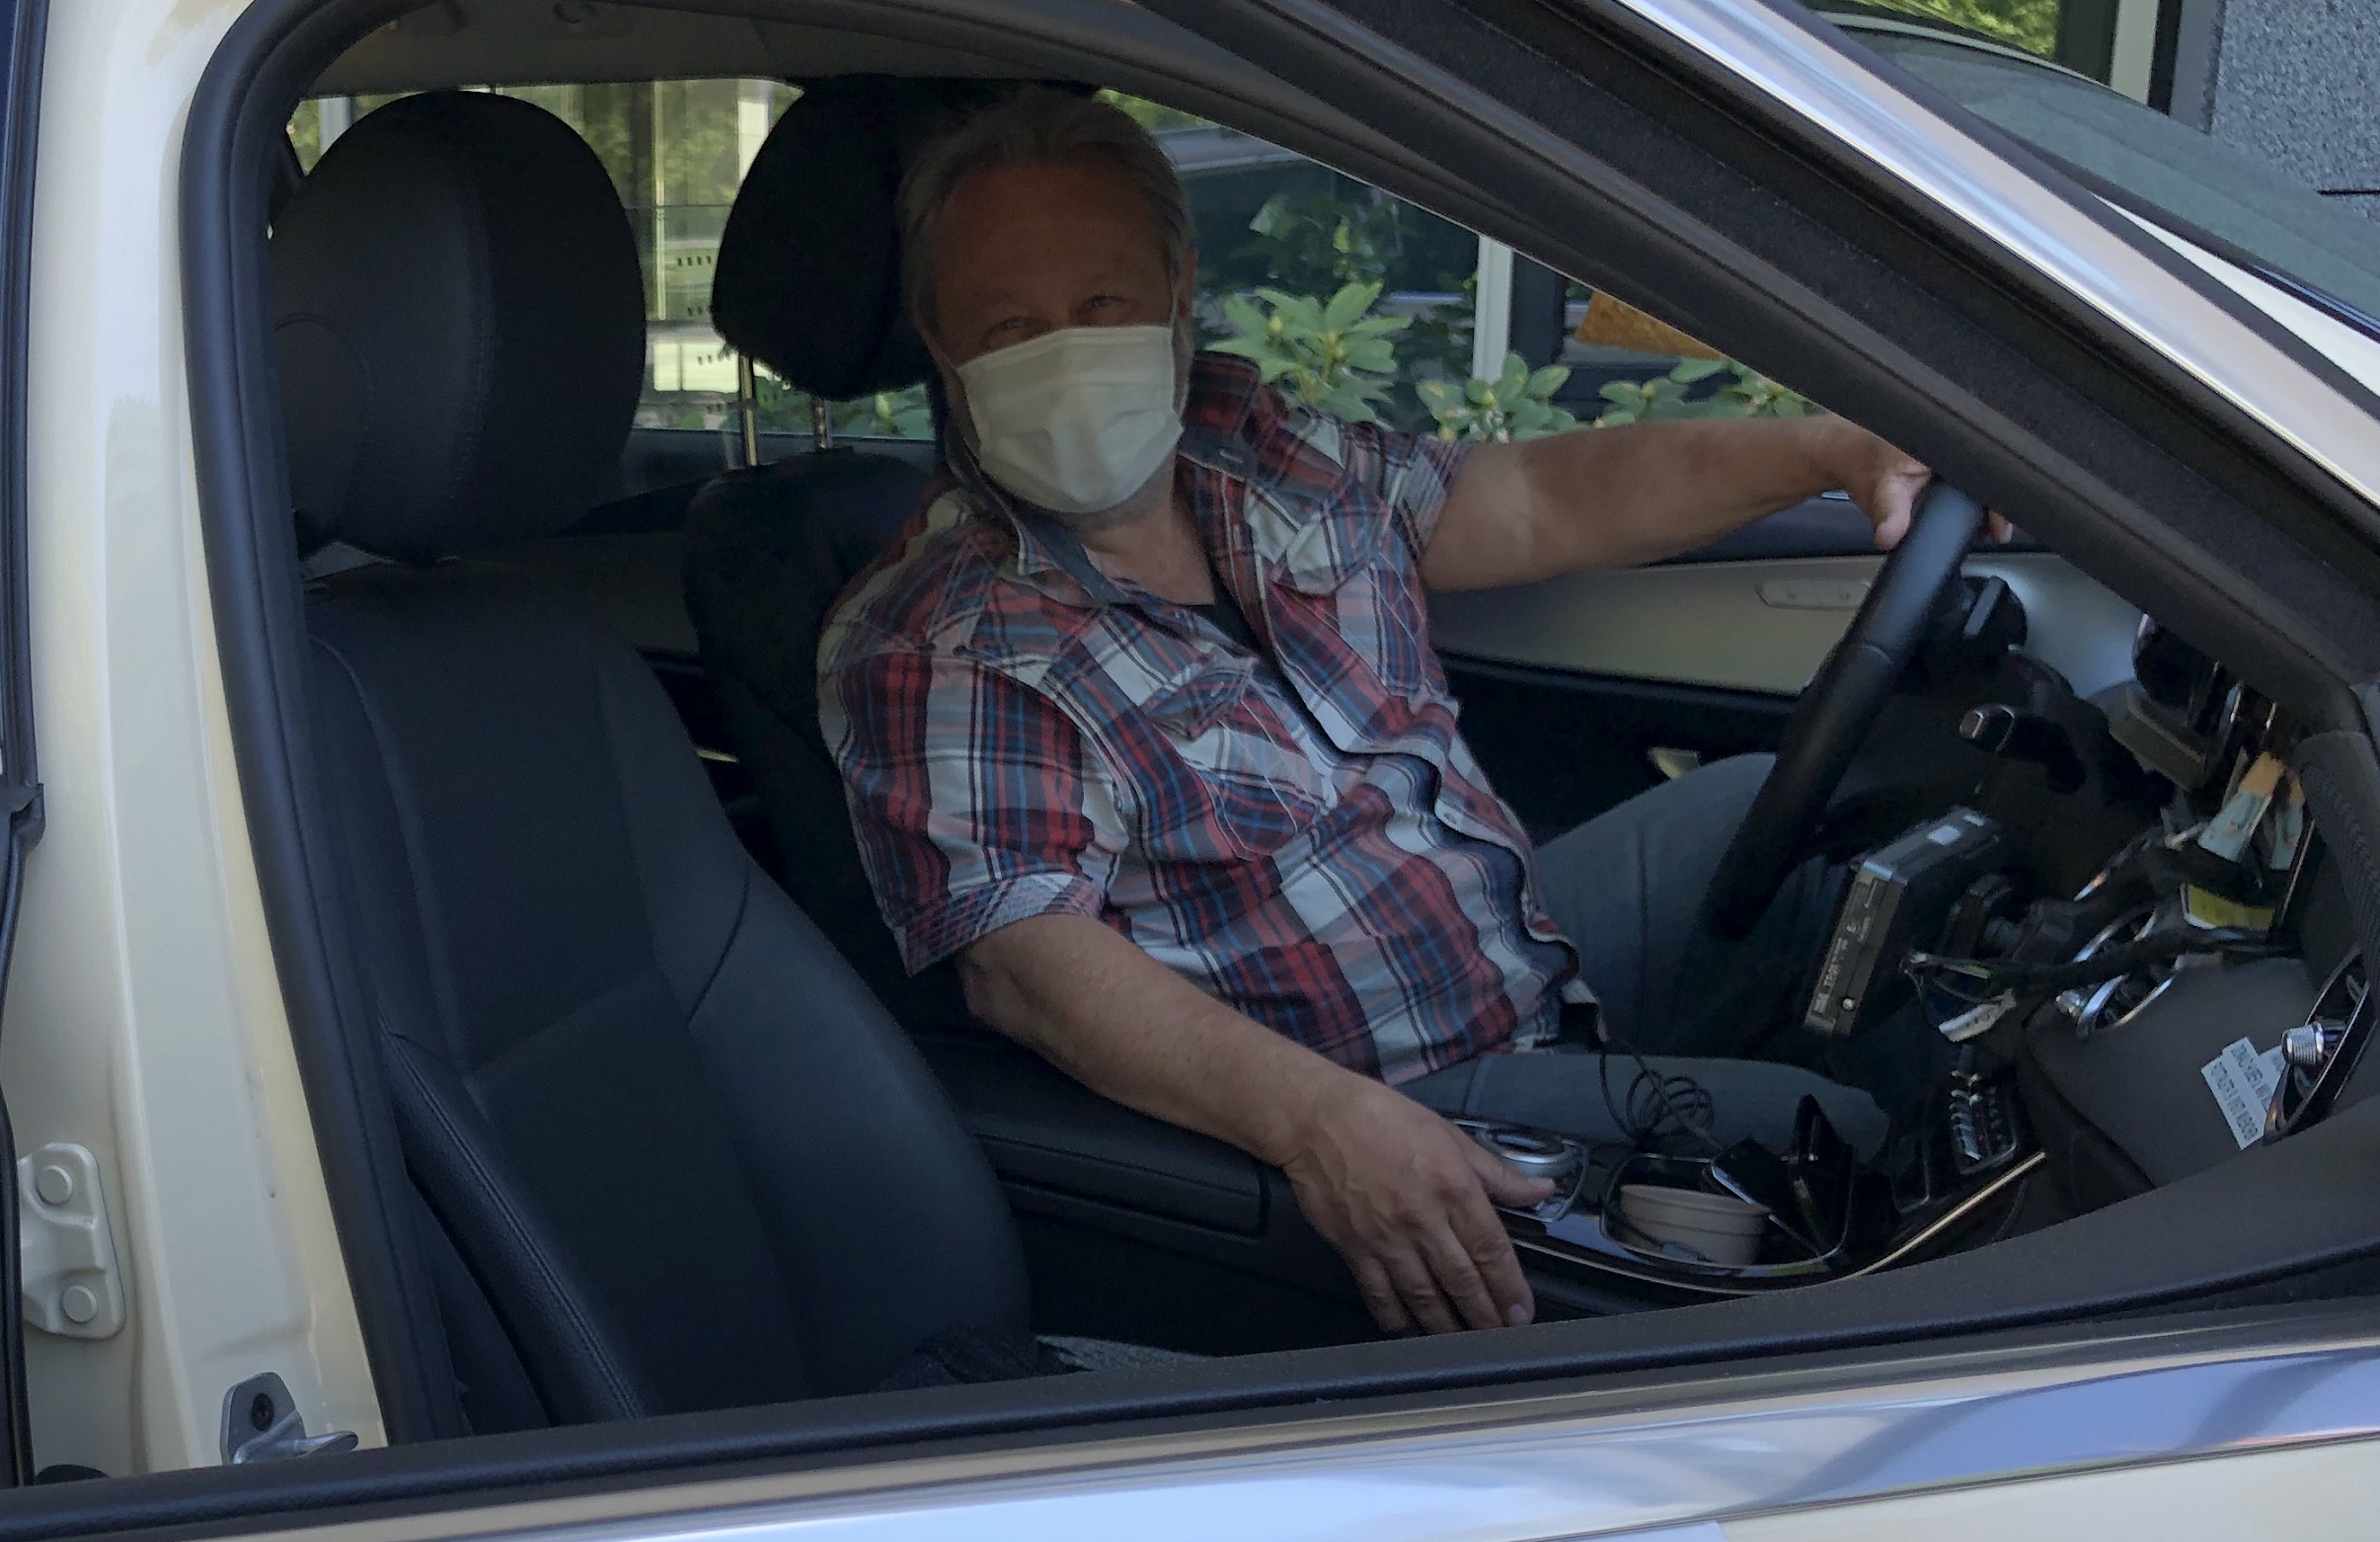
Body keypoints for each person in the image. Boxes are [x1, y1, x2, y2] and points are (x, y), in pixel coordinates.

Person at [821, 88, 1940, 1341]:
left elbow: (1534, 503)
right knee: (1850, 1143)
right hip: (1390, 1086)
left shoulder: (1254, 455)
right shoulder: (935, 633)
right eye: (1010, 327)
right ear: (941, 344)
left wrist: (1826, 450)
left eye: (1100, 305)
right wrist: (1320, 1122)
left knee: (1825, 824)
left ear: (1178, 293)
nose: (1065, 357)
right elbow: (1029, 969)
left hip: (1513, 946)